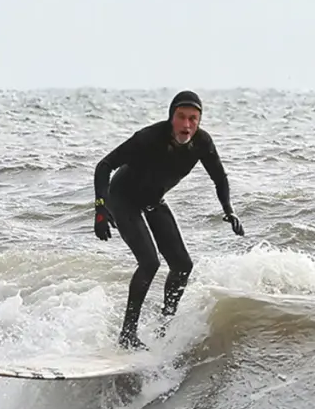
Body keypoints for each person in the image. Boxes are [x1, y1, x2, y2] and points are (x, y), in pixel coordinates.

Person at [93, 90, 245, 350]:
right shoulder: (148, 137)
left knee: (183, 265)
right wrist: (101, 208)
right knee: (150, 262)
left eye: (193, 119)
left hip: (153, 200)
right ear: (171, 116)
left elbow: (219, 178)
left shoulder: (202, 143)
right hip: (123, 198)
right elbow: (104, 166)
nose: (187, 125)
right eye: (181, 117)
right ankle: (127, 335)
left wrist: (228, 209)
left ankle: (165, 328)